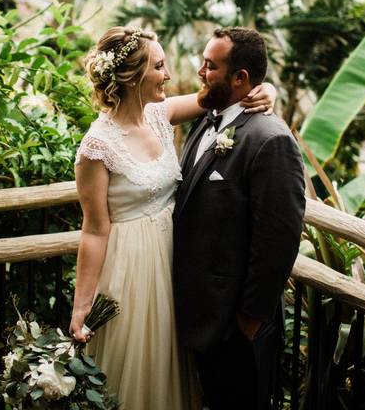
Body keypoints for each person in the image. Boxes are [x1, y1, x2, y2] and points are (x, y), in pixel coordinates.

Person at [68, 26, 276, 410]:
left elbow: (218, 95)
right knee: (133, 374)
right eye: (159, 66)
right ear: (133, 77)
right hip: (131, 271)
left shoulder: (161, 116)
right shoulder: (97, 146)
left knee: (172, 371)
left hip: (175, 266)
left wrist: (265, 90)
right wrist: (82, 305)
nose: (167, 74)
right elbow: (95, 229)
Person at [173, 27, 306, 409]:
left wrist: (249, 317)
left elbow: (278, 237)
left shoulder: (270, 139)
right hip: (202, 316)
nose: (200, 71)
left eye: (210, 66)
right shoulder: (204, 120)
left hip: (237, 325)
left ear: (240, 78)